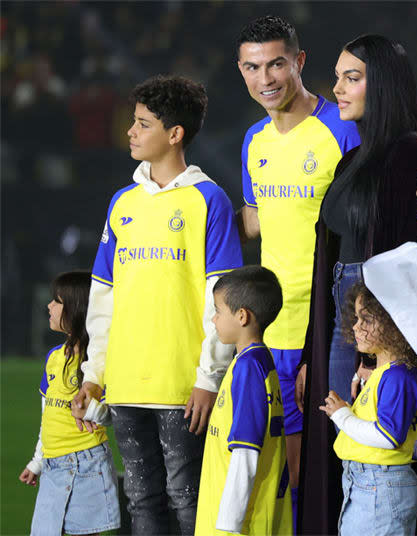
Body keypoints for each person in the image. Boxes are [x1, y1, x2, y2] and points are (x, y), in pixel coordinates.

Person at [298, 34, 417, 535]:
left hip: (373, 330)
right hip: (343, 319)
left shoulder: (410, 153)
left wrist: (376, 353)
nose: (338, 88)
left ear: (385, 86)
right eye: (338, 77)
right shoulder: (354, 159)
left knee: (371, 451)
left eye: (352, 77)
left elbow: (415, 265)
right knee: (344, 451)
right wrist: (319, 343)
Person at [73, 75, 243, 534]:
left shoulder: (210, 200)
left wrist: (208, 377)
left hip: (183, 387)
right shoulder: (121, 203)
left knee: (187, 497)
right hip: (125, 384)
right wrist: (94, 375)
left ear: (175, 134)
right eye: (133, 121)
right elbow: (103, 297)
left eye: (143, 123)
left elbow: (224, 299)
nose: (130, 131)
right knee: (141, 498)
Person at [235, 15, 360, 522]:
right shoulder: (253, 142)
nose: (265, 79)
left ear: (299, 61)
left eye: (276, 64)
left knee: (330, 476)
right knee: (280, 477)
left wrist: (343, 335)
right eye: (252, 67)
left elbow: (359, 241)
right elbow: (254, 222)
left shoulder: (342, 130)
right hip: (270, 331)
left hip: (328, 331)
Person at [320, 282, 417, 536]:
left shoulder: (399, 376)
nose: (356, 326)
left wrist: (342, 415)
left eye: (366, 320)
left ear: (394, 324)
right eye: (356, 318)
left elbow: (388, 436)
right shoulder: (386, 375)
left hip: (380, 486)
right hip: (369, 485)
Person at [20, 271, 120, 535]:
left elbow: (114, 415)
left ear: (77, 310)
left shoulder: (98, 364)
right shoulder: (53, 357)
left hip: (87, 464)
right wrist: (37, 461)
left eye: (57, 300)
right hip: (53, 466)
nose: (49, 306)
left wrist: (92, 410)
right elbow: (47, 416)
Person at [194, 266, 292, 536]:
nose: (213, 320)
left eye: (218, 311)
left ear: (242, 316)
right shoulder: (254, 362)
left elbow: (246, 451)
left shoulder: (249, 369)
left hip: (238, 525)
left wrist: (229, 524)